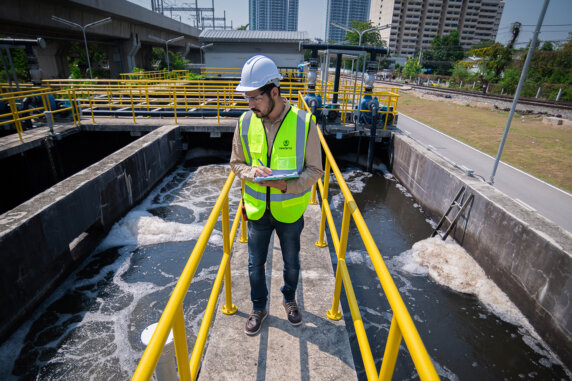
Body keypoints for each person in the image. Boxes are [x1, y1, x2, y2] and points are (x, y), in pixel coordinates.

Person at [230, 55, 323, 336]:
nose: (250, 104)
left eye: (255, 98)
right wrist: (250, 172)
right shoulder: (245, 122)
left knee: (292, 262)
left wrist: (285, 186)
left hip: (290, 211)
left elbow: (315, 170)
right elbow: (235, 163)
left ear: (274, 92)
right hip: (257, 210)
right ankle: (259, 308)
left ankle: (290, 299)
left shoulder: (304, 123)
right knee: (254, 264)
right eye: (247, 98)